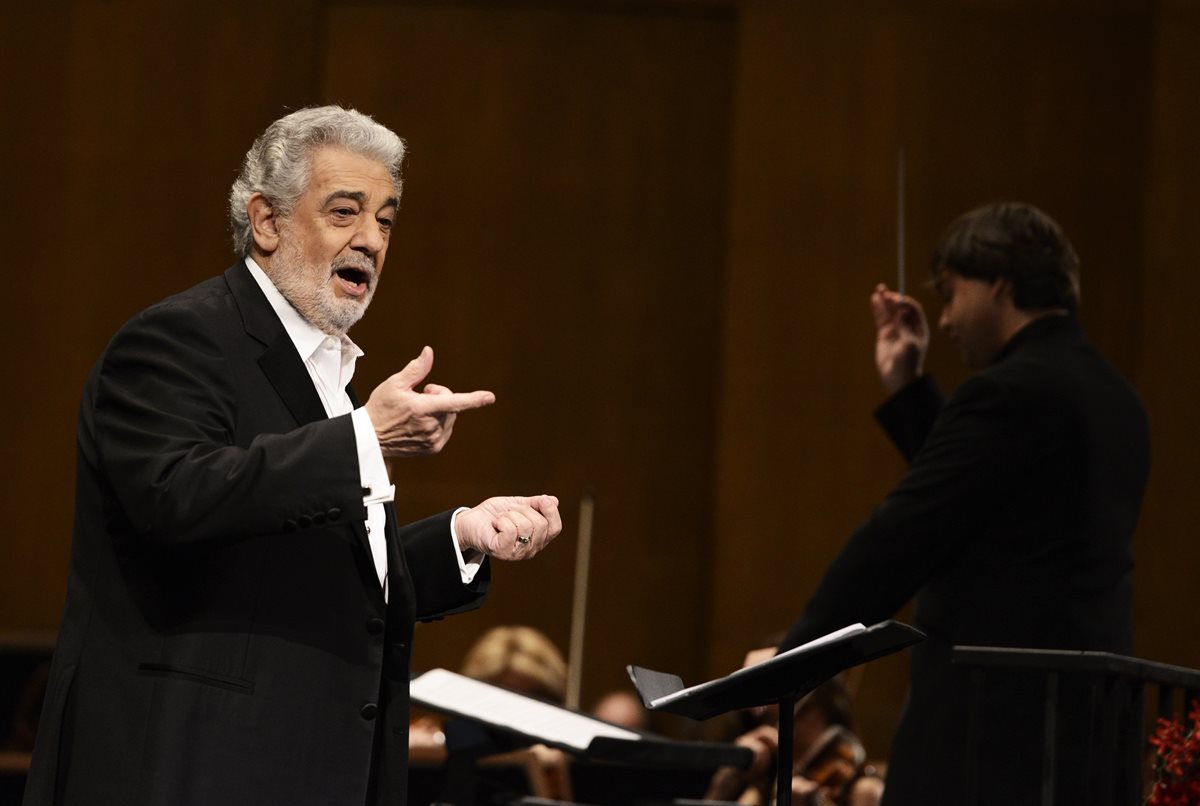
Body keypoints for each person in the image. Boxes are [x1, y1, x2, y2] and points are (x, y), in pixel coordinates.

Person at [23, 106, 562, 806]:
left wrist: (461, 535)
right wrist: (366, 438)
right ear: (267, 222)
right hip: (191, 768)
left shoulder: (329, 377)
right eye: (345, 212)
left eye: (386, 220)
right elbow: (176, 497)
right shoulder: (178, 339)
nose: (371, 239)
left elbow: (319, 579)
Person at [776, 202, 1150, 805]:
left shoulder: (1008, 392)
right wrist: (909, 388)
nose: (945, 319)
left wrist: (794, 658)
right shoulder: (1117, 399)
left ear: (999, 282)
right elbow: (995, 502)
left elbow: (902, 535)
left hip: (993, 739)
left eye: (951, 293)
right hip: (1088, 735)